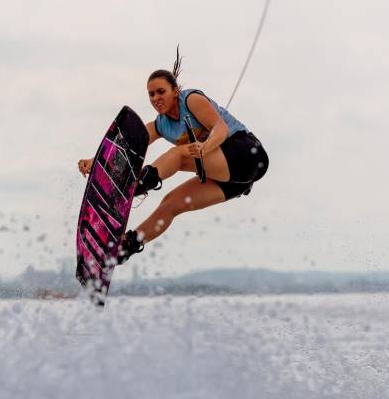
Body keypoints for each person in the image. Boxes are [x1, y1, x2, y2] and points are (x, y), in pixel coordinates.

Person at [77, 58, 269, 264]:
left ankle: (133, 187)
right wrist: (95, 161)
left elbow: (220, 128)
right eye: (151, 94)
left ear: (175, 91)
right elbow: (126, 148)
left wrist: (205, 148)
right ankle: (125, 248)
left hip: (247, 154)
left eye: (161, 91)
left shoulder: (191, 100)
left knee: (176, 154)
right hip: (232, 182)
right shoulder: (161, 125)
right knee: (171, 204)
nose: (156, 98)